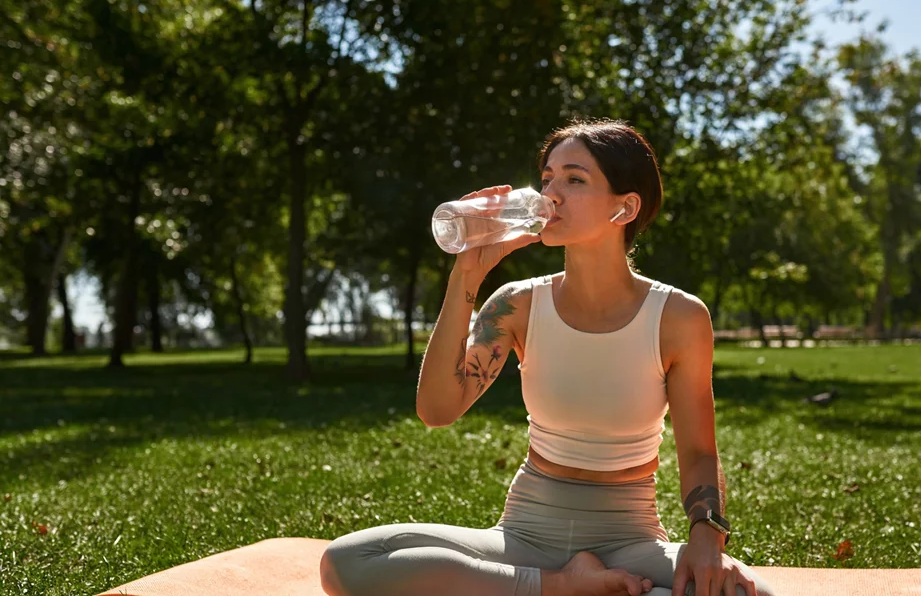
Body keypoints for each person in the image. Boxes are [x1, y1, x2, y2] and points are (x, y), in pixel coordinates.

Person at [320, 120, 777, 596]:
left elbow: (700, 452)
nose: (551, 195)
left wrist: (707, 539)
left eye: (574, 180)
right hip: (525, 538)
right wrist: (466, 279)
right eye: (547, 179)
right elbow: (437, 410)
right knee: (347, 562)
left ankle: (581, 588)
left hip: (631, 539)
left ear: (626, 207)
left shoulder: (678, 317)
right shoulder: (516, 304)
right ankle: (560, 587)